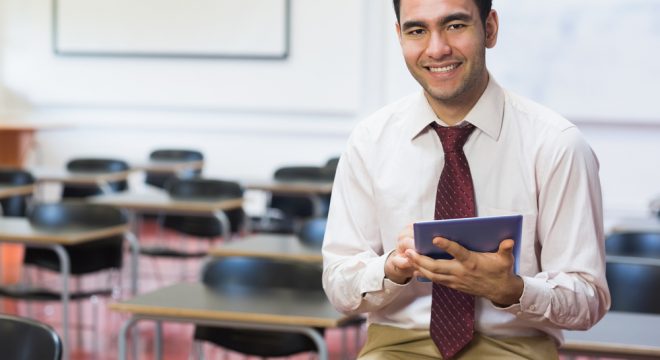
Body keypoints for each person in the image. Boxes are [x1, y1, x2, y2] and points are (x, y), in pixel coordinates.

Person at [321, 0, 610, 358]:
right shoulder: (369, 142)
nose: (437, 48)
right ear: (399, 36)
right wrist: (391, 269)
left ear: (489, 28)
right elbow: (338, 285)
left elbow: (588, 299)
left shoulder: (557, 145)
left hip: (515, 347)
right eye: (417, 30)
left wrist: (512, 289)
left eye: (455, 25)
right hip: (397, 345)